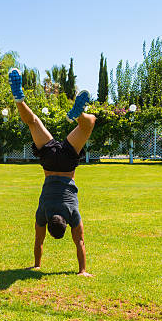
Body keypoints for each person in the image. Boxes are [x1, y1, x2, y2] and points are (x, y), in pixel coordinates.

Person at [8, 68, 96, 276]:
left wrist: (82, 270)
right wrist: (36, 265)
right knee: (33, 122)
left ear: (65, 224)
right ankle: (19, 100)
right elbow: (38, 242)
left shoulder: (72, 215)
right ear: (49, 224)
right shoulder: (43, 213)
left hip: (66, 163)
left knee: (89, 124)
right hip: (49, 162)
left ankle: (80, 115)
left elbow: (80, 242)